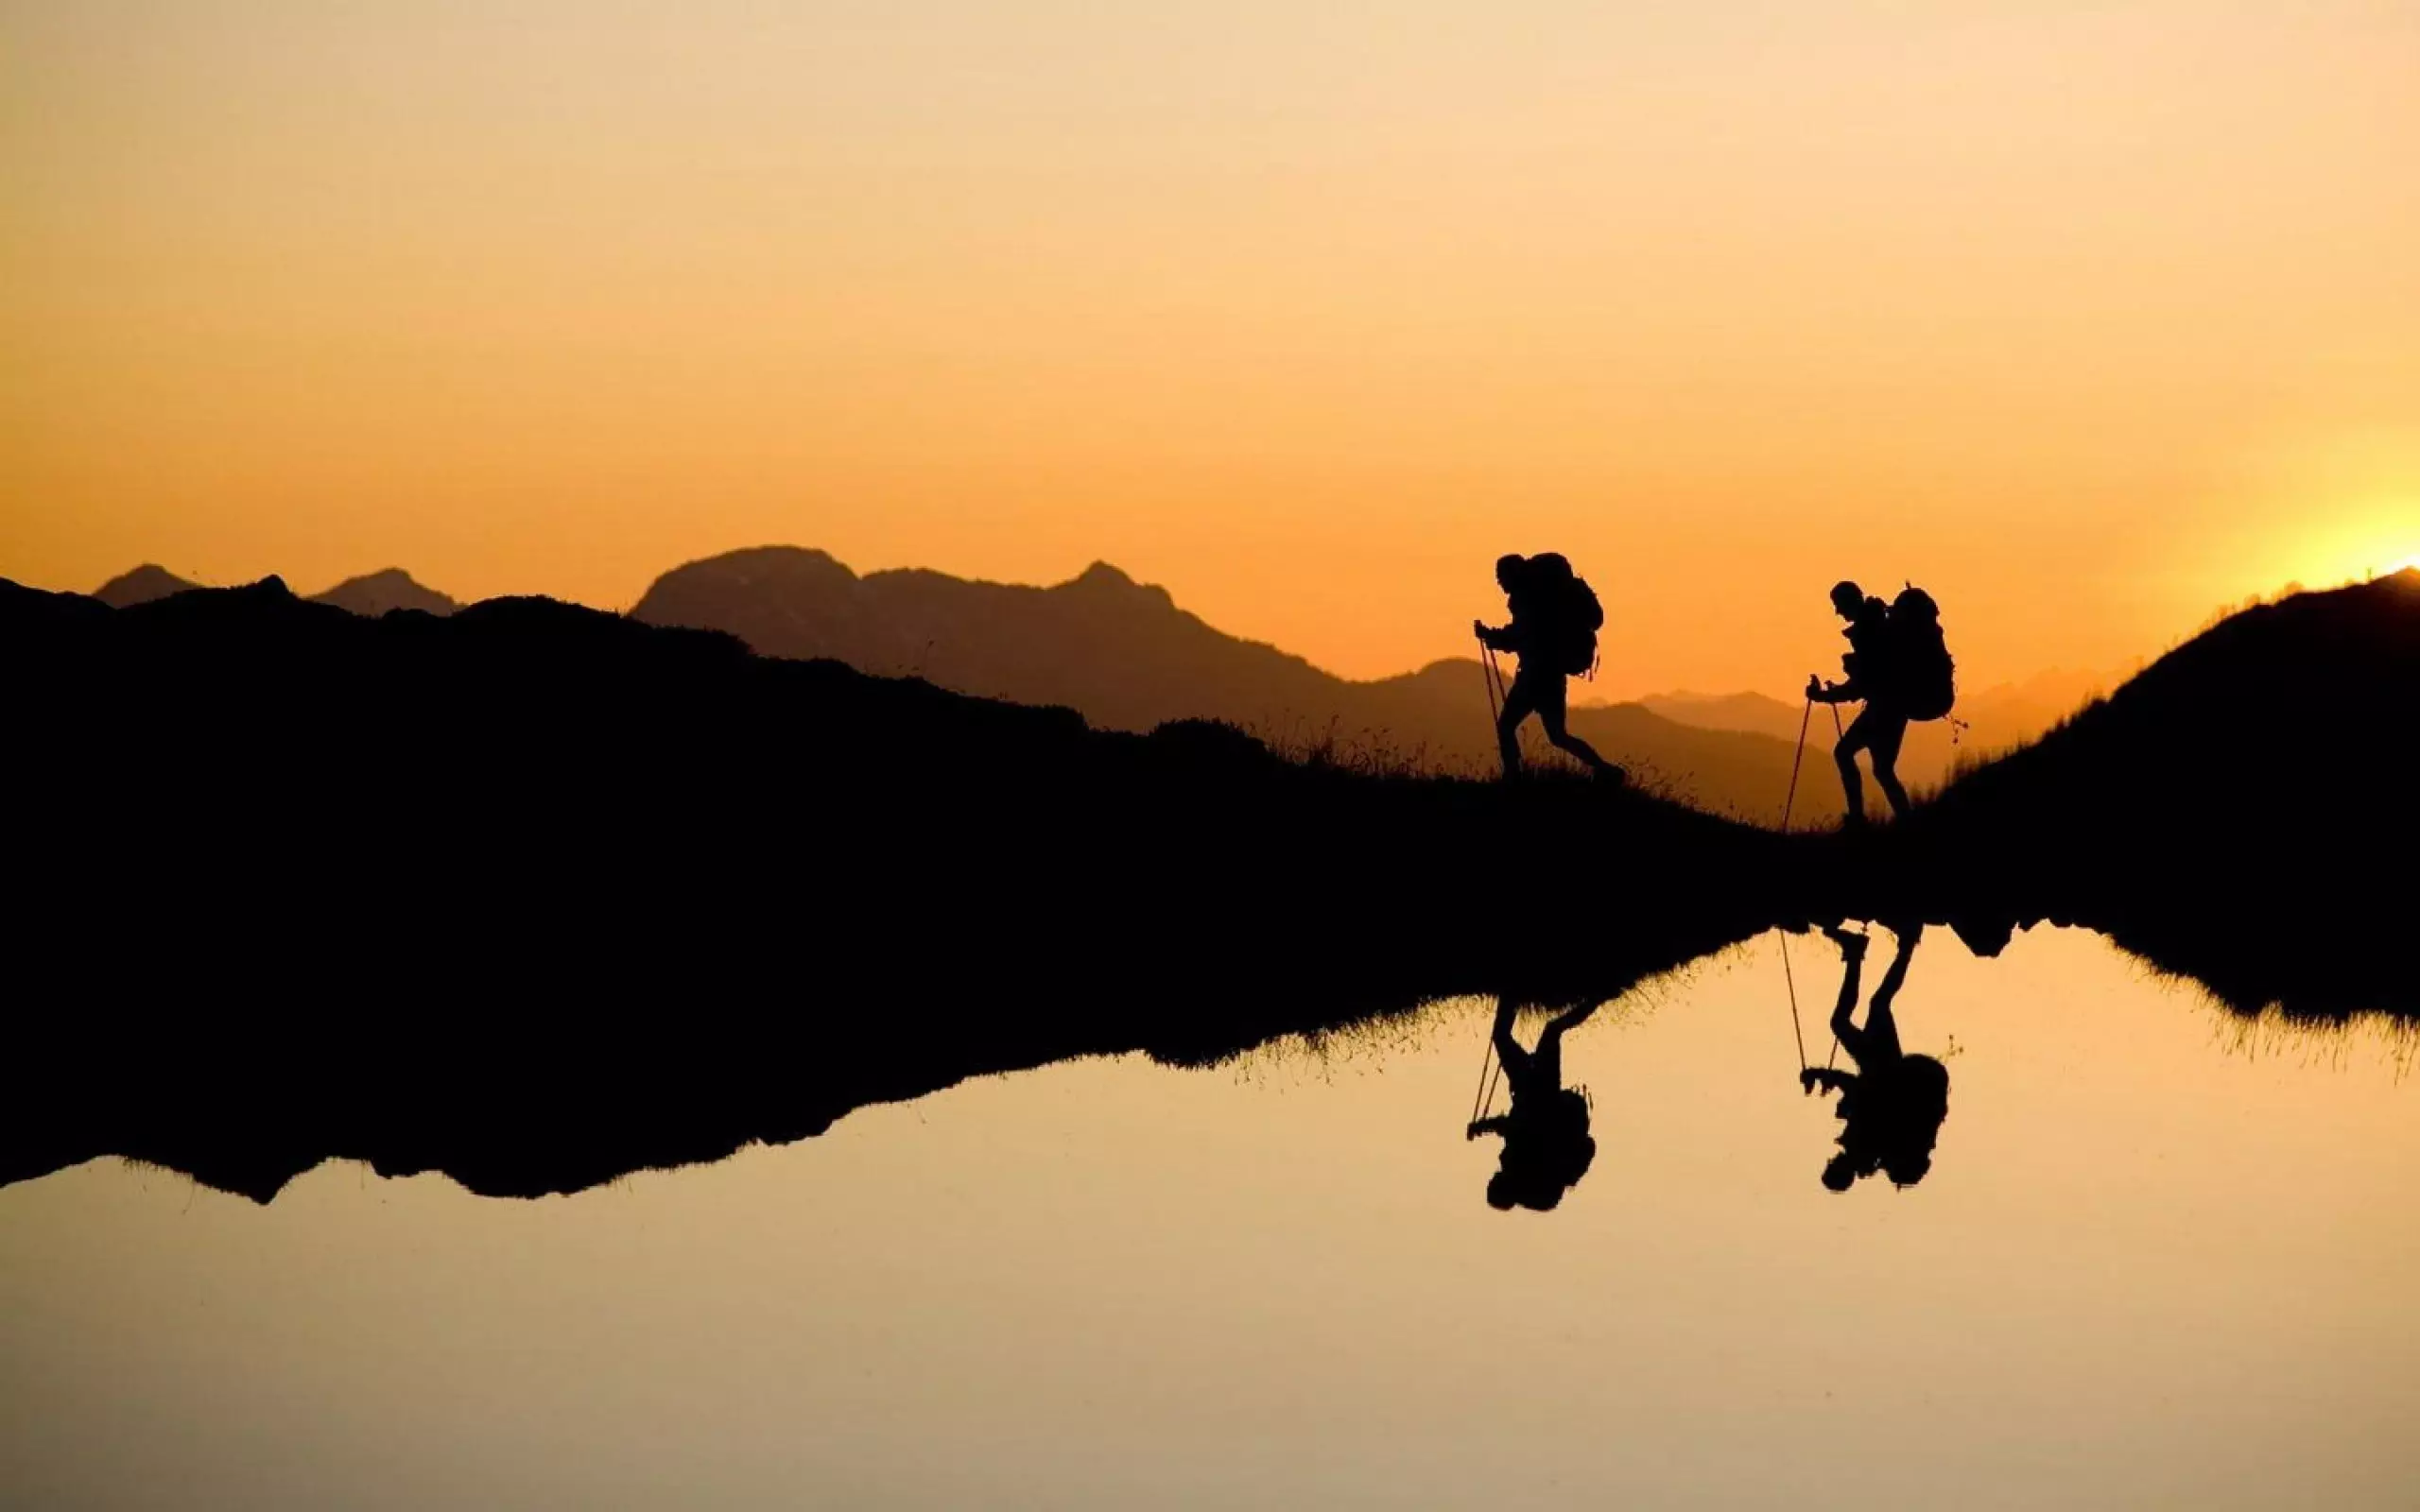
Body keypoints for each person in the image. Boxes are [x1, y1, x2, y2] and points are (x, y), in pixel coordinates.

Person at [1799, 922, 1949, 1191]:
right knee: (1875, 1005)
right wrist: (1822, 1075)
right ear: (1841, 1170)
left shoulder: (1870, 1152)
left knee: (1846, 1019)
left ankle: (1858, 952)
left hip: (1881, 1068)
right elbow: (1860, 1090)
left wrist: (1826, 1078)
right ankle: (1903, 946)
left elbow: (1859, 1092)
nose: (1832, 1161)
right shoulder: (1863, 1147)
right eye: (1832, 1166)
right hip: (1883, 1066)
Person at [1476, 554, 1624, 782]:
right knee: (1558, 735)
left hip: (1534, 675)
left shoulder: (1526, 598)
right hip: (1553, 675)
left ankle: (1513, 778)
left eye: (1500, 576)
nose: (1499, 582)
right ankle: (1605, 769)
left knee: (1506, 726)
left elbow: (1521, 636)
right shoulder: (1541, 596)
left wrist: (1490, 636)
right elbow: (1524, 635)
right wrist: (1495, 637)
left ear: (1512, 574)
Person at [1467, 996, 1599, 1211]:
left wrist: (1485, 1127)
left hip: (1528, 1092)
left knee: (1502, 1037)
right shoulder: (1522, 1168)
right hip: (1542, 1097)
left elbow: (1513, 1129)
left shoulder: (1525, 1176)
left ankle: (1511, 991)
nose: (1496, 1173)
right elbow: (1514, 1129)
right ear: (1503, 1186)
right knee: (1551, 1031)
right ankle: (1599, 997)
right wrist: (1482, 1127)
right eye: (1495, 1179)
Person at [1807, 579, 1910, 827]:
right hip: (1895, 708)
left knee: (1844, 753)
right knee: (1883, 770)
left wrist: (1823, 696)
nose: (1838, 612)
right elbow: (1869, 678)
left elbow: (1863, 683)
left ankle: (1857, 820)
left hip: (1882, 710)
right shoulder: (1877, 624)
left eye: (1838, 605)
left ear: (1848, 602)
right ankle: (1908, 823)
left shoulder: (1867, 632)